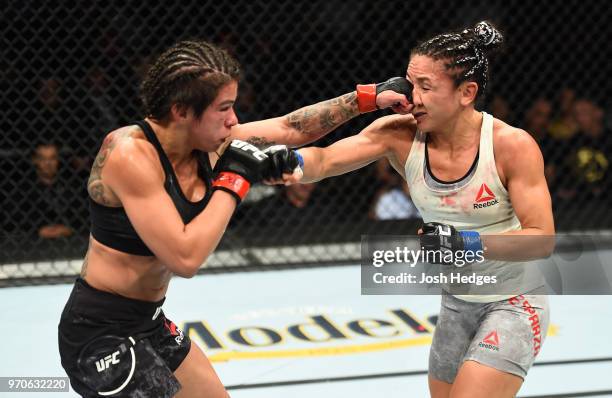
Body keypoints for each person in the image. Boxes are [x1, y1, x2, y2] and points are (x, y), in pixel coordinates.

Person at [57, 39, 411, 398]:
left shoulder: (206, 146)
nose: (234, 120)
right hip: (100, 333)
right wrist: (236, 178)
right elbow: (184, 257)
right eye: (223, 108)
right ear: (181, 111)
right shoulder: (129, 154)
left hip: (148, 321)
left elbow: (291, 129)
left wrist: (367, 99)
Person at [282, 22, 555, 398]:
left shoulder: (511, 146)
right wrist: (285, 163)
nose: (413, 97)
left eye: (426, 87)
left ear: (467, 93)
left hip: (514, 300)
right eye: (411, 84)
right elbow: (326, 160)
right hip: (457, 302)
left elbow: (541, 240)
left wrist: (465, 242)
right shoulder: (399, 133)